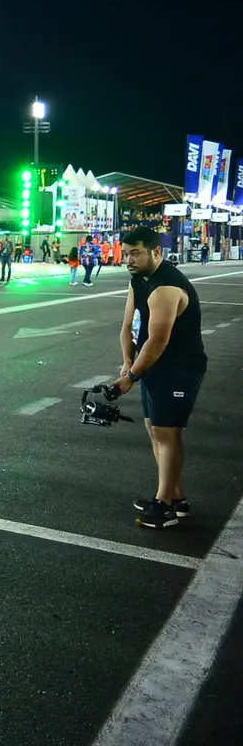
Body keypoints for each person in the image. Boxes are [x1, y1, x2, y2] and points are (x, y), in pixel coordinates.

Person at [111, 226, 208, 529]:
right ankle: (176, 498)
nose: (129, 259)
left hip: (179, 366)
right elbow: (129, 325)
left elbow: (157, 340)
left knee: (167, 433)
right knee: (154, 429)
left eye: (136, 253)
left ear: (156, 252)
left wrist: (132, 376)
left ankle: (164, 505)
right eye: (126, 253)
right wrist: (128, 363)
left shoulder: (166, 287)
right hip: (152, 364)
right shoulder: (138, 280)